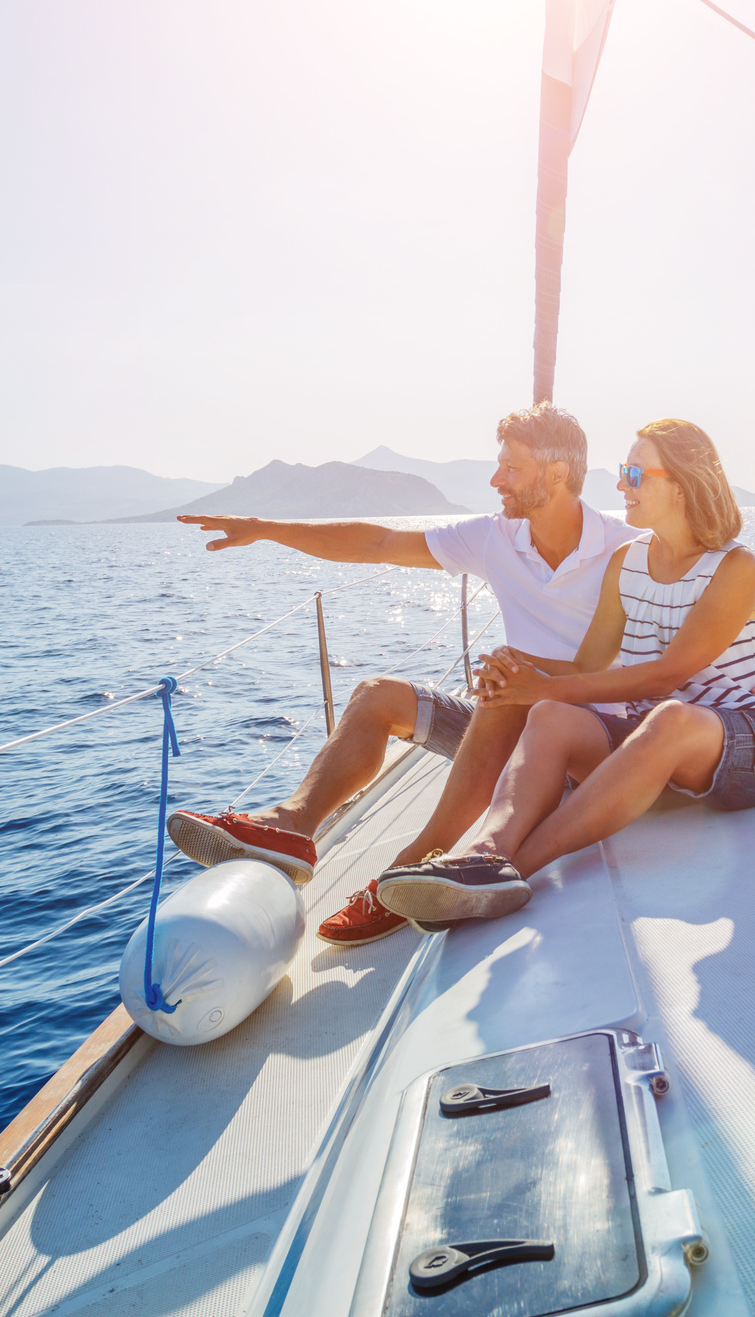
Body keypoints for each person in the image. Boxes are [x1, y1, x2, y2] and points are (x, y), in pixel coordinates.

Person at [162, 405, 629, 945]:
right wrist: (267, 530)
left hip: (586, 748)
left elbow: (683, 650)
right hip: (507, 726)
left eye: (511, 467)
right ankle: (292, 827)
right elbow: (378, 543)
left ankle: (412, 865)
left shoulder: (627, 547)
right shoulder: (496, 537)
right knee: (377, 696)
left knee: (507, 691)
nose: (496, 479)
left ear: (556, 473)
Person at [374, 418, 755, 926]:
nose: (621, 484)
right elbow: (585, 667)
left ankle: (509, 870)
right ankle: (487, 848)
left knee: (668, 716)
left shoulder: (736, 568)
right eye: (624, 472)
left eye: (634, 473)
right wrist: (519, 671)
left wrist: (544, 684)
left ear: (684, 482)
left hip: (752, 747)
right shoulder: (627, 560)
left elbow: (663, 677)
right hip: (659, 745)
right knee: (552, 714)